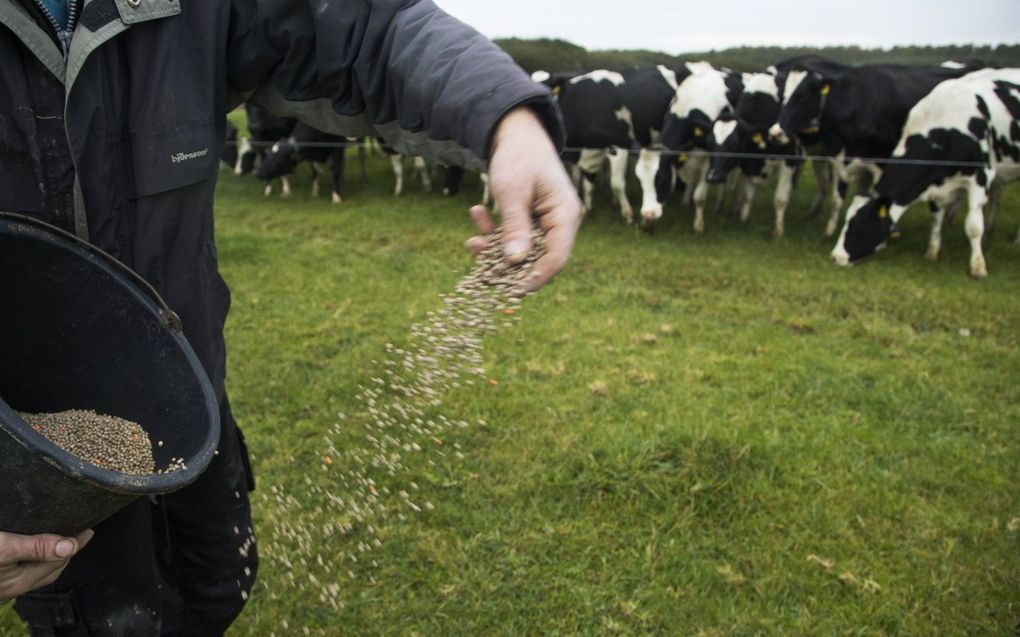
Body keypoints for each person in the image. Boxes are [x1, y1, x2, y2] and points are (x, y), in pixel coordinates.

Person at [0, 0, 581, 634]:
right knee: (98, 622)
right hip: (27, 456)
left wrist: (509, 120)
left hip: (191, 403)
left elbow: (365, 30)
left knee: (213, 589)